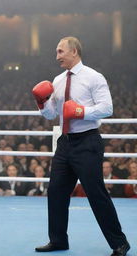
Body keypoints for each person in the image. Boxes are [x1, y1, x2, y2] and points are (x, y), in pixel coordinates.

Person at [32, 36, 130, 256]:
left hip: (87, 141)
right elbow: (51, 114)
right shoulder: (57, 81)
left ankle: (119, 243)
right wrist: (41, 103)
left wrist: (81, 111)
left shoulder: (93, 77)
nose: (57, 56)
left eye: (60, 51)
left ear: (73, 51)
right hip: (65, 142)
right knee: (56, 192)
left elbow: (108, 108)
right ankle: (58, 240)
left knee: (96, 193)